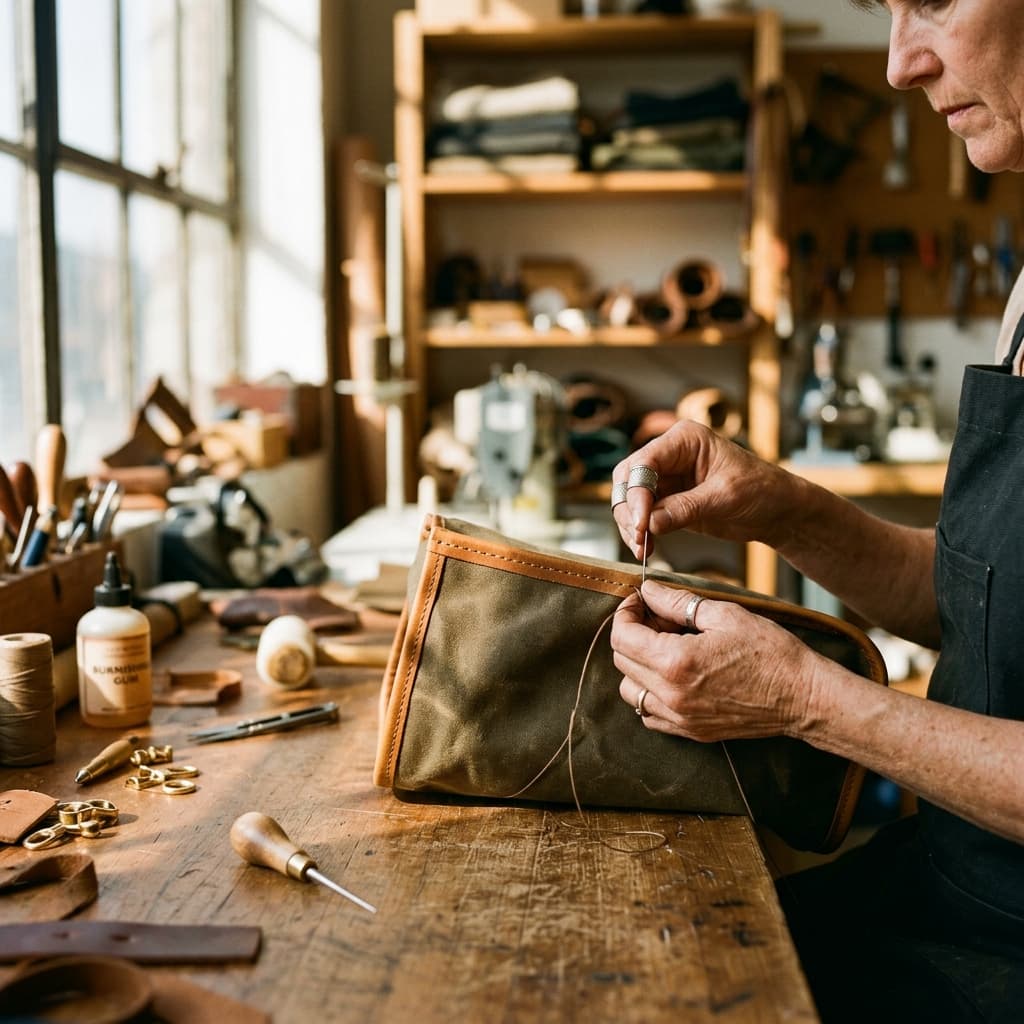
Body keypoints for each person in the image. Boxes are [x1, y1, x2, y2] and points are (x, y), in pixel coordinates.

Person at [608, 2, 1024, 1020]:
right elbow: (978, 604)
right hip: (946, 887)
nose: (896, 64)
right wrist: (781, 507)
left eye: (930, 1)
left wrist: (807, 700)